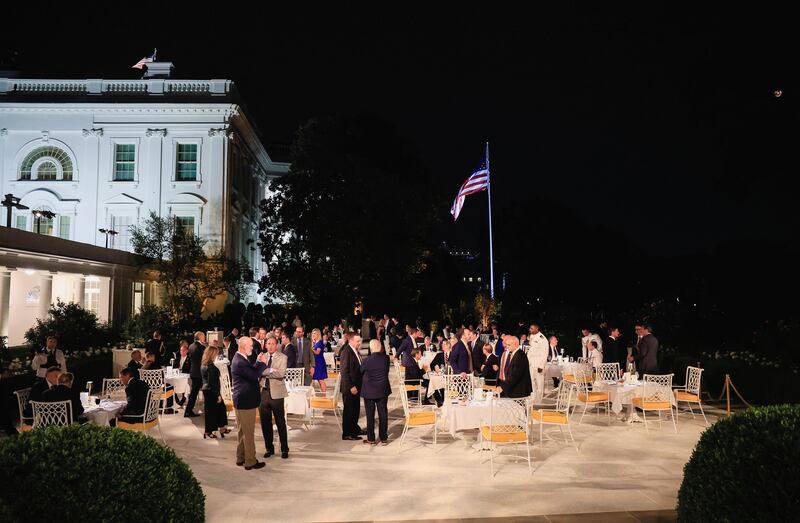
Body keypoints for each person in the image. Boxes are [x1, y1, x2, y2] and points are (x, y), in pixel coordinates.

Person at [231, 336, 267, 470]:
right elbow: (253, 375)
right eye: (250, 345)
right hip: (246, 401)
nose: (252, 348)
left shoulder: (239, 358)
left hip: (241, 400)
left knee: (242, 431)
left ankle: (240, 458)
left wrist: (257, 362)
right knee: (248, 433)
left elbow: (250, 371)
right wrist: (263, 363)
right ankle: (250, 461)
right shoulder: (240, 361)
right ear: (243, 346)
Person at [258, 334, 289, 459]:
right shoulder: (262, 357)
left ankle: (284, 449)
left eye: (272, 344)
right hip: (264, 393)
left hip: (277, 394)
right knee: (265, 423)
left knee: (280, 422)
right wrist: (271, 370)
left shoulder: (283, 357)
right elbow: (258, 371)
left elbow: (281, 374)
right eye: (268, 344)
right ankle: (269, 448)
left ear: (277, 345)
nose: (270, 346)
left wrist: (265, 370)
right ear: (265, 345)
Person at [360, 339, 391, 445]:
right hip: (382, 390)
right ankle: (383, 438)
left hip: (369, 391)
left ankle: (371, 439)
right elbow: (386, 371)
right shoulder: (386, 359)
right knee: (383, 414)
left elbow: (360, 372)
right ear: (381, 348)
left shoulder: (366, 361)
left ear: (370, 348)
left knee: (370, 415)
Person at [200, 344, 229, 439]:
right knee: (211, 411)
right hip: (211, 391)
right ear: (212, 354)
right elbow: (213, 383)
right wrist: (218, 395)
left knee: (220, 408)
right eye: (216, 353)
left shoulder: (204, 365)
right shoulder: (211, 367)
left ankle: (222, 428)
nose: (217, 355)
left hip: (207, 390)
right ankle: (208, 431)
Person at [340, 333, 364, 440]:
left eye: (360, 340)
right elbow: (344, 372)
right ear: (351, 341)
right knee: (349, 411)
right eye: (357, 341)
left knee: (355, 409)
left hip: (356, 386)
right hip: (350, 387)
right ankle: (347, 433)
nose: (359, 343)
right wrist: (351, 386)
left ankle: (355, 429)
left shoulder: (355, 350)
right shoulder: (346, 352)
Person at [185, 331, 206, 418]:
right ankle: (208, 410)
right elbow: (205, 360)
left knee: (193, 393)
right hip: (200, 373)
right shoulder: (201, 347)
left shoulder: (191, 346)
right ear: (200, 337)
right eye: (203, 336)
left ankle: (188, 411)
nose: (204, 337)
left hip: (193, 372)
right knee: (206, 392)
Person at [527, 323, 549, 402]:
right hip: (531, 363)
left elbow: (545, 353)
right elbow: (531, 350)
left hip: (538, 363)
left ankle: (539, 399)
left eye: (532, 328)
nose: (530, 330)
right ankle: (533, 397)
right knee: (532, 381)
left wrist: (541, 366)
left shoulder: (542, 338)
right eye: (530, 328)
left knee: (539, 382)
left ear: (537, 329)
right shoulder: (532, 336)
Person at [310, 328, 328, 393]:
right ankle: (323, 393)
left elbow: (317, 352)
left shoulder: (320, 342)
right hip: (316, 362)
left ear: (318, 334)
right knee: (319, 379)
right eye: (313, 333)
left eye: (315, 333)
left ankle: (324, 394)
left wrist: (311, 349)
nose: (313, 335)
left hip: (319, 362)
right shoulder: (316, 342)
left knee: (321, 379)